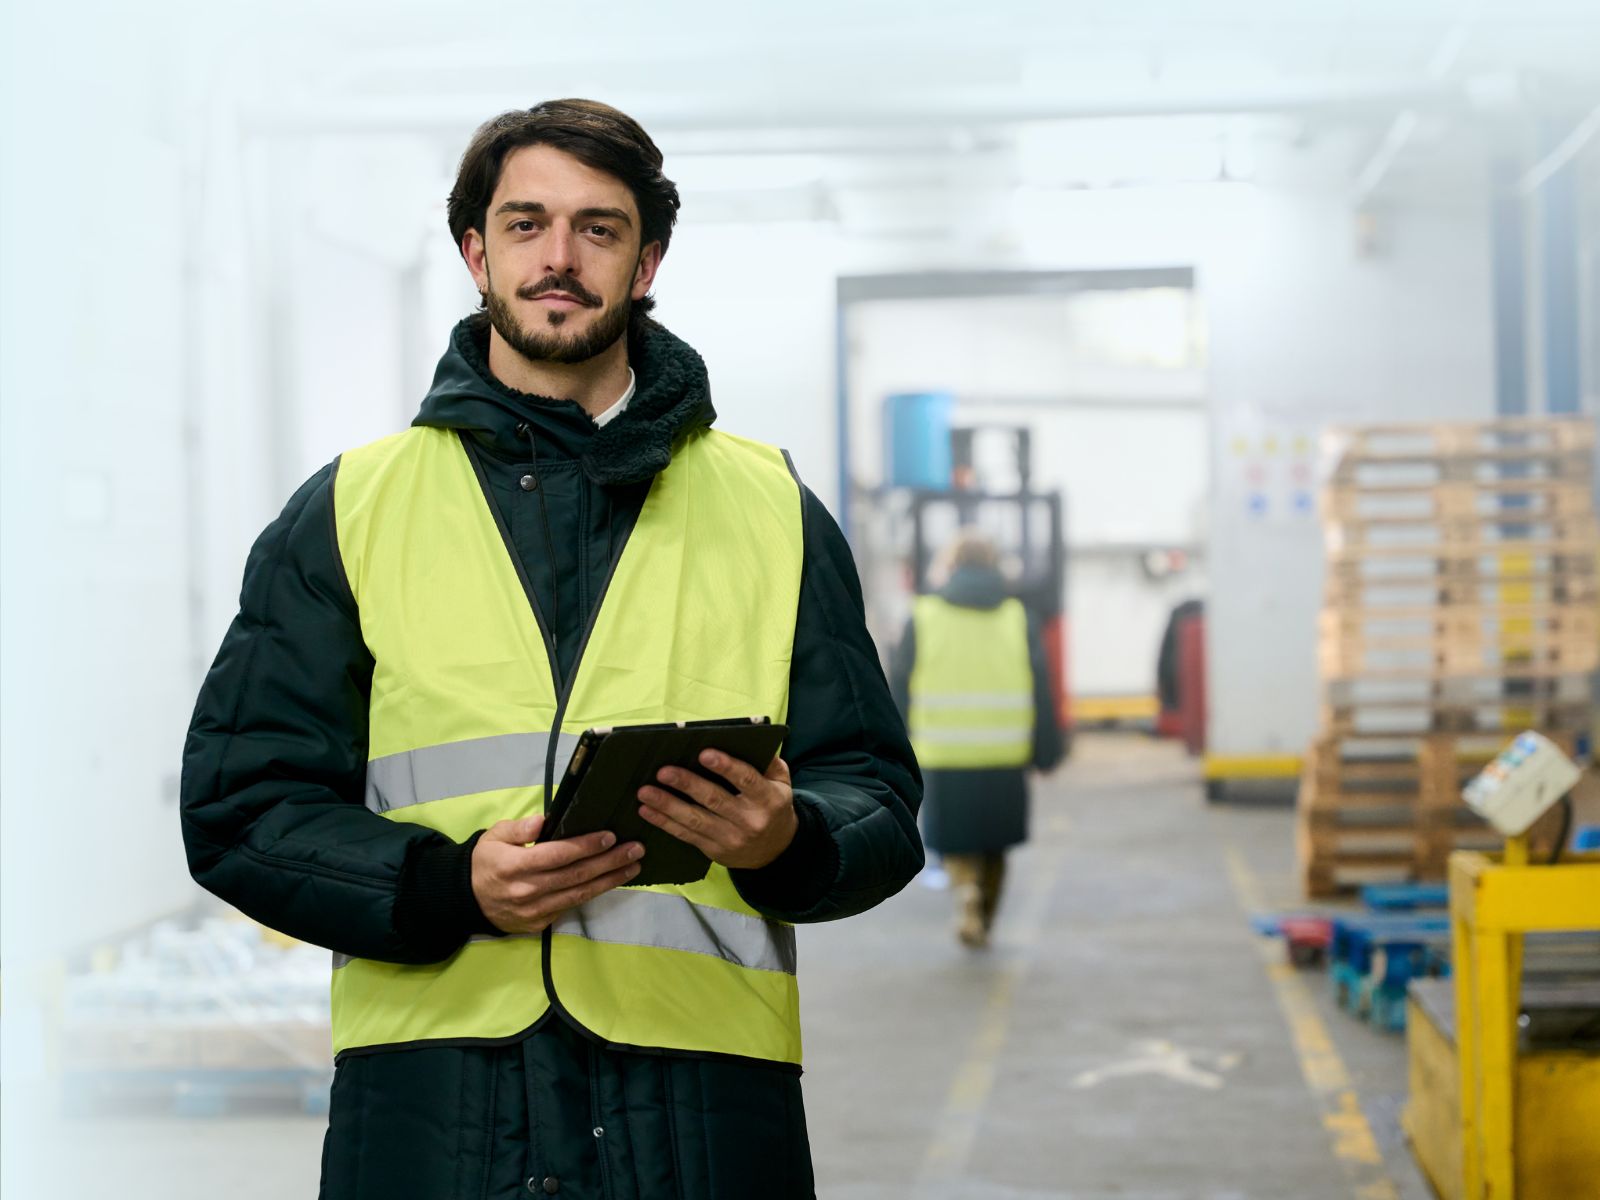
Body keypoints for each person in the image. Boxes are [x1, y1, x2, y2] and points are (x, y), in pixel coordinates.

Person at [180, 98, 923, 1199]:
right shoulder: (347, 511)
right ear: (475, 253)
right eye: (525, 225)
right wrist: (448, 886)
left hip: (703, 1117)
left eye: (599, 228)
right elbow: (241, 805)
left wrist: (789, 841)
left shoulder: (772, 509)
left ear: (648, 257)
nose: (560, 257)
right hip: (435, 1114)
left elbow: (874, 797)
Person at [889, 531, 1062, 948]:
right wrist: (1047, 749)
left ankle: (964, 891)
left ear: (951, 566)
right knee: (996, 843)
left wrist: (894, 745)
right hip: (1005, 753)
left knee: (956, 838)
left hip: (945, 753)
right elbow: (1040, 686)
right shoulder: (1018, 618)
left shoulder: (924, 615)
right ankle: (985, 912)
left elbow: (899, 685)